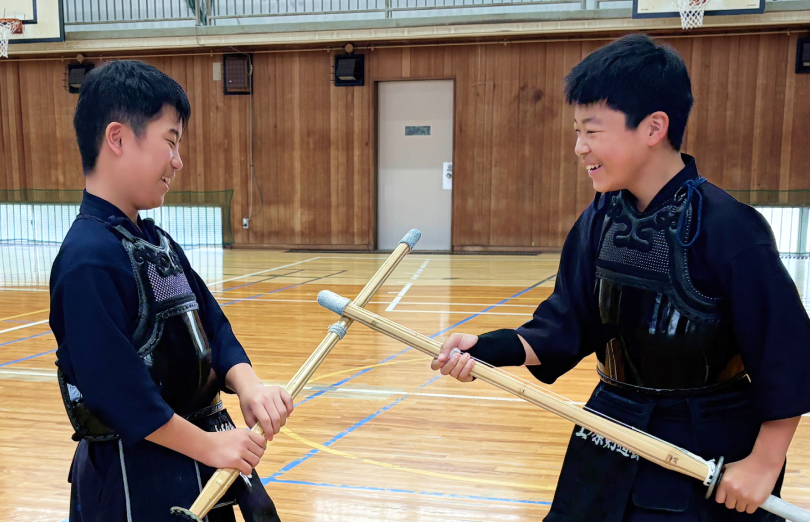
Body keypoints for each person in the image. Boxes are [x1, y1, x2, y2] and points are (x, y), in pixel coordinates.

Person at [432, 34, 810, 521]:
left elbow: (787, 354)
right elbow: (568, 324)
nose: (578, 147)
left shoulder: (729, 227)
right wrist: (489, 347)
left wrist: (762, 463)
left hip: (707, 440)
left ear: (654, 127)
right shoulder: (602, 217)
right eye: (577, 131)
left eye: (592, 131)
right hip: (611, 422)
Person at [50, 60, 293, 522]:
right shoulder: (88, 259)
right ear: (118, 138)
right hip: (134, 481)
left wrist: (249, 384)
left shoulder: (155, 242)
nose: (178, 161)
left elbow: (209, 324)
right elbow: (116, 391)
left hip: (201, 462)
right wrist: (209, 445)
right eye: (170, 142)